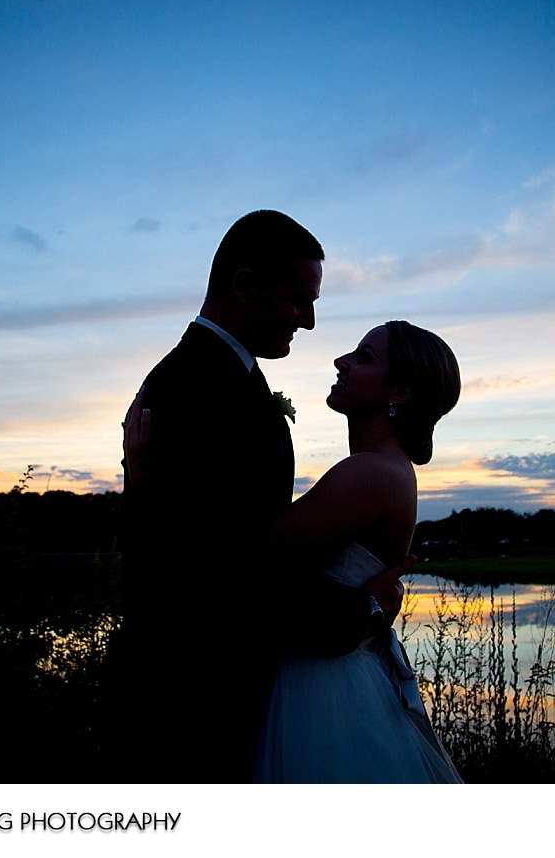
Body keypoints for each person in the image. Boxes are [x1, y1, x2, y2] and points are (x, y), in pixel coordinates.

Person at [107, 210, 405, 783]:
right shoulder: (199, 387)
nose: (311, 322)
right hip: (190, 706)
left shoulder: (226, 376)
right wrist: (361, 610)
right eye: (300, 300)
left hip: (202, 693)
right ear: (244, 286)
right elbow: (222, 570)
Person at [253, 320, 463, 782]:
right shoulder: (385, 470)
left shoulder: (370, 474)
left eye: (364, 357)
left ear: (400, 391)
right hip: (335, 669)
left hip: (324, 691)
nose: (341, 361)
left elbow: (246, 553)